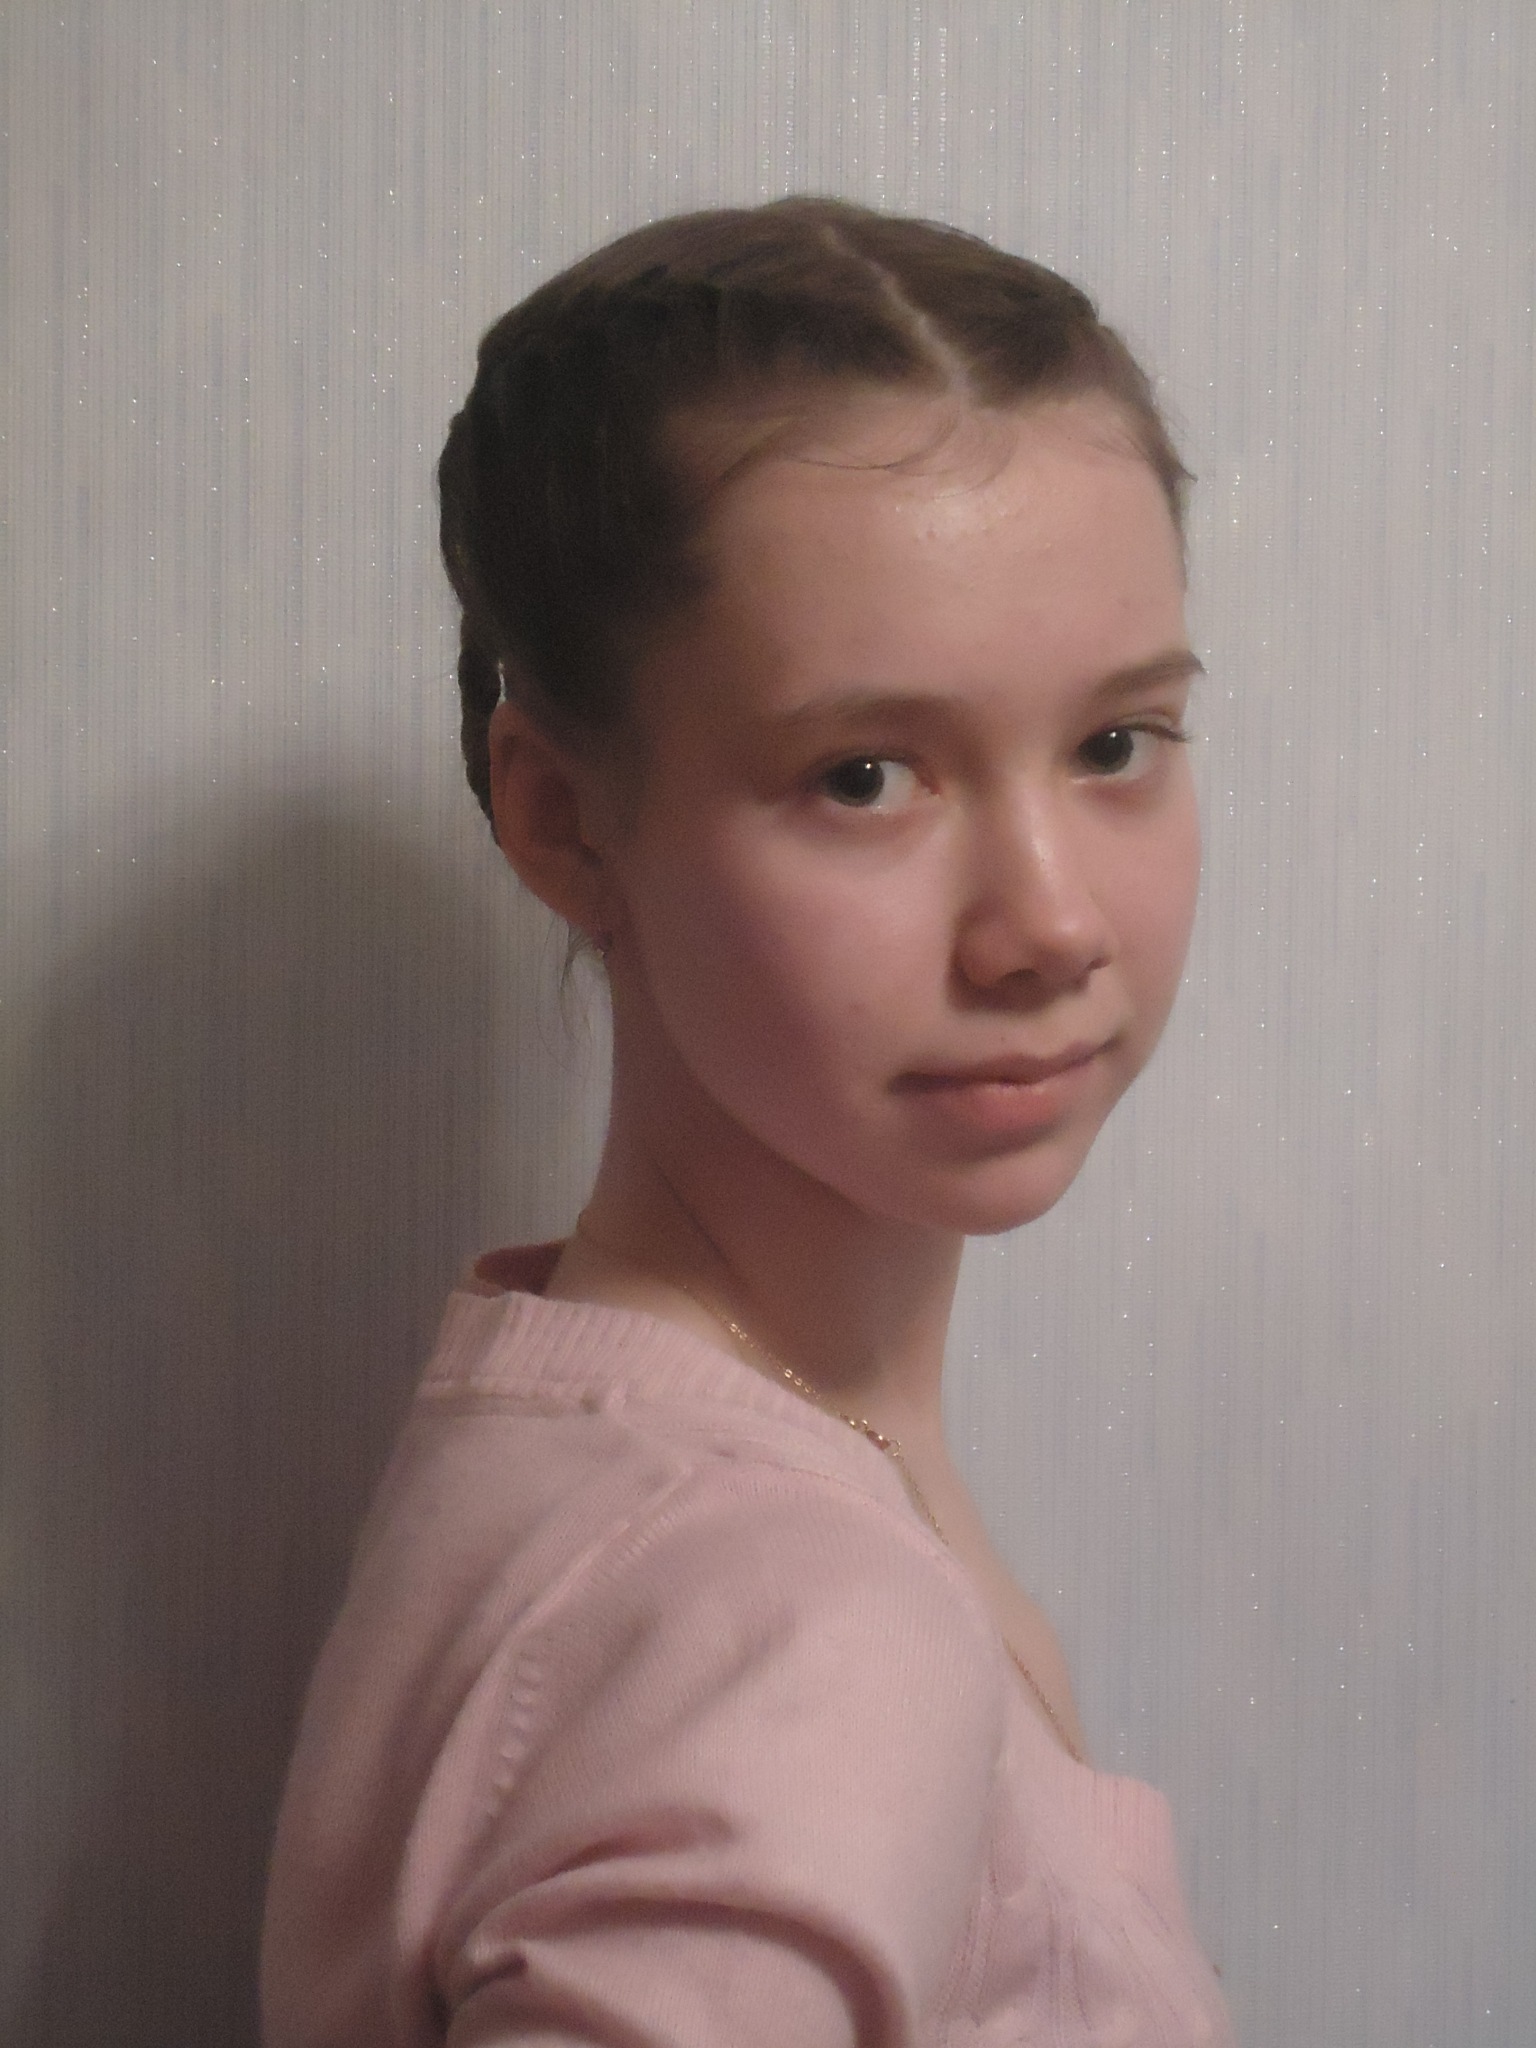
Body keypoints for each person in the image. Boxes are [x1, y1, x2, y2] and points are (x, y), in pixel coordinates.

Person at [261, 197, 1234, 2046]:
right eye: (864, 775)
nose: (1048, 925)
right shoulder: (788, 1619)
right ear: (561, 821)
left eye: (1116, 743)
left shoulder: (640, 1446)